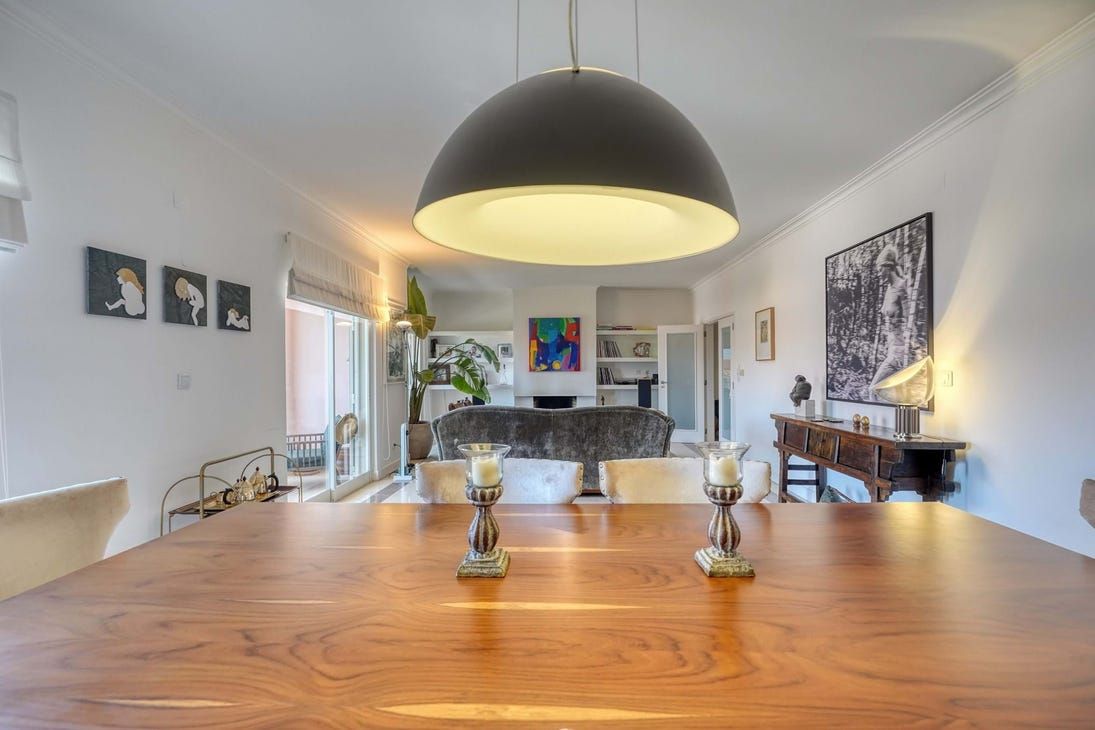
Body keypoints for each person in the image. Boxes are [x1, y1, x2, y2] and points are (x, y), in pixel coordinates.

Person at [871, 244, 909, 388]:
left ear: (887, 267)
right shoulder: (888, 289)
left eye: (880, 269)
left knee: (873, 389)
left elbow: (909, 322)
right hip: (890, 349)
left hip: (898, 353)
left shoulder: (901, 286)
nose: (879, 273)